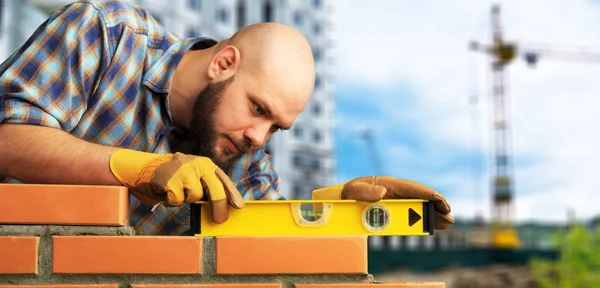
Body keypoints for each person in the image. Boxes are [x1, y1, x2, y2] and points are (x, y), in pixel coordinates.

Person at [0, 0, 454, 235]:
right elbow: (9, 138)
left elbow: (268, 237)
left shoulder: (240, 154)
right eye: (259, 109)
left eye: (276, 127)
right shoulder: (104, 33)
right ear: (223, 63)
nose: (259, 137)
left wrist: (344, 209)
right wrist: (142, 167)